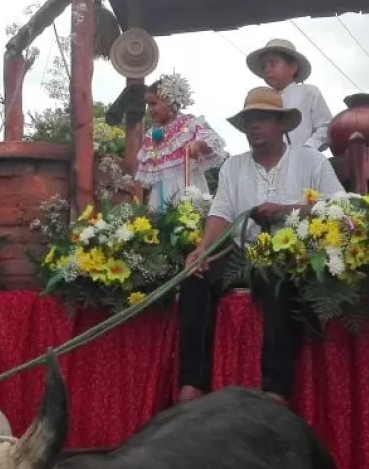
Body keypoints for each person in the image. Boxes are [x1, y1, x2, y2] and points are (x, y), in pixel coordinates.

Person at [179, 86, 342, 406]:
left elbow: (341, 206)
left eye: (263, 118)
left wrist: (286, 210)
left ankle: (275, 389)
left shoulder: (311, 160)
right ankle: (192, 382)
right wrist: (202, 251)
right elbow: (221, 213)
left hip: (292, 250)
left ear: (282, 124)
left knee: (277, 279)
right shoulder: (234, 165)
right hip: (242, 250)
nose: (254, 125)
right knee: (195, 277)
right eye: (250, 119)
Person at [136, 72, 228, 210]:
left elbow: (212, 141)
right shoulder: (151, 134)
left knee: (190, 222)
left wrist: (198, 144)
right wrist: (155, 146)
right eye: (148, 105)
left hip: (188, 183)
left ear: (169, 101)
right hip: (161, 189)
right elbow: (153, 164)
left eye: (153, 104)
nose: (150, 110)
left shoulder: (188, 123)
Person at [246, 39, 334, 151]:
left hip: (304, 163)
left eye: (272, 63)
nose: (267, 69)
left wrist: (308, 149)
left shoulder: (308, 92)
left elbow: (326, 127)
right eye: (264, 66)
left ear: (292, 67)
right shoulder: (260, 102)